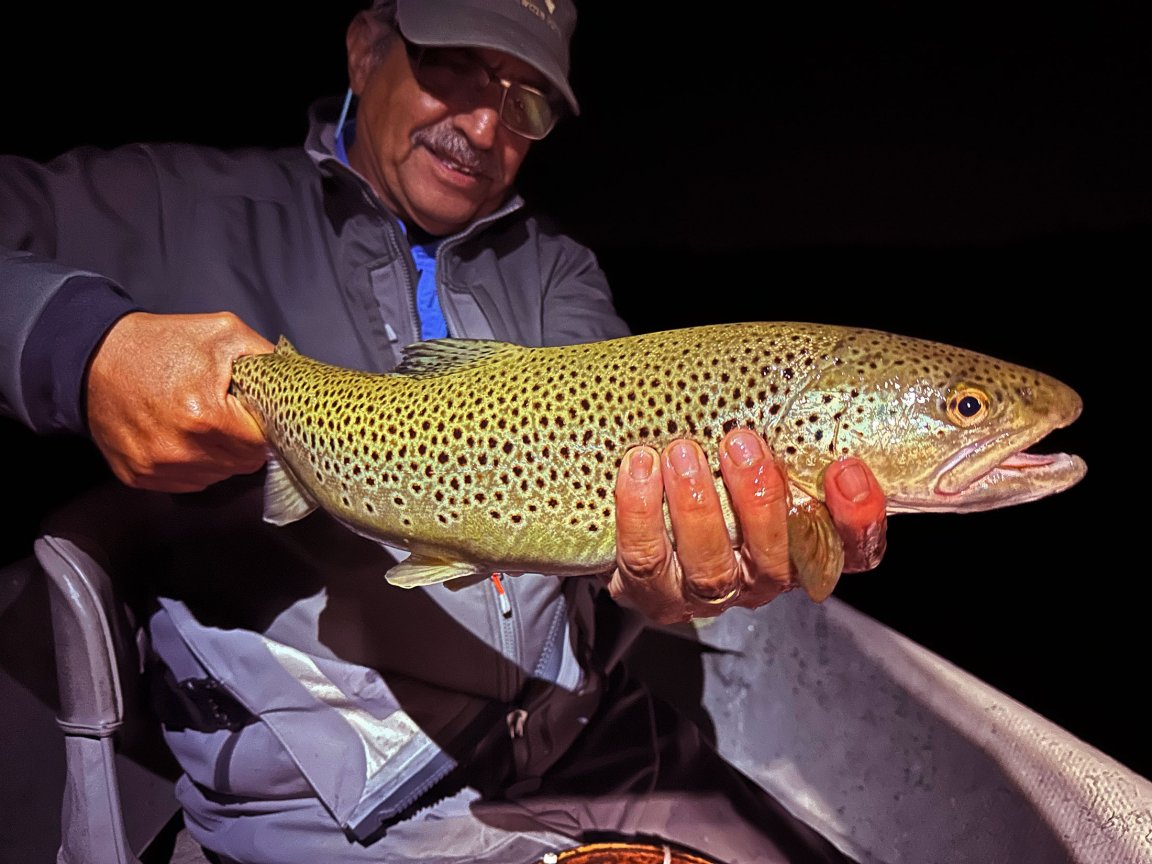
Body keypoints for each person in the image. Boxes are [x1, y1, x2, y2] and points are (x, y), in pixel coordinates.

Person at [0, 1, 889, 862]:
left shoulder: (552, 268)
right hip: (340, 800)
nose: (482, 122)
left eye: (525, 101)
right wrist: (80, 349)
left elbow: (625, 485)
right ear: (363, 51)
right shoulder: (178, 205)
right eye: (450, 65)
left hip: (582, 734)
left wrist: (667, 577)